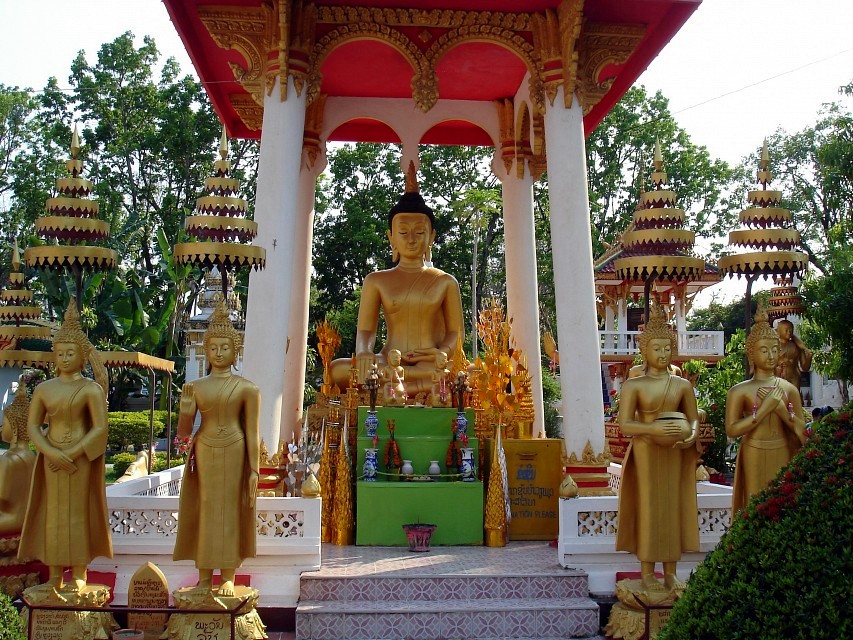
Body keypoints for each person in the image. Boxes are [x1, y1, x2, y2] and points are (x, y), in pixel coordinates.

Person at [330, 163, 464, 395]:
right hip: (388, 360)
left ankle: (395, 388)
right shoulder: (376, 281)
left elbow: (456, 333)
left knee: (470, 373)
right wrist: (363, 352)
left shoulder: (445, 282)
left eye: (420, 232)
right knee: (338, 370)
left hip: (431, 362)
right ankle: (420, 387)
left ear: (431, 236)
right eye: (403, 232)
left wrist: (443, 352)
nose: (411, 238)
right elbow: (366, 330)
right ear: (391, 237)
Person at [18, 300, 113, 591]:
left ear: (82, 356)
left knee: (77, 512)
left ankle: (80, 571)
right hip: (51, 457)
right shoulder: (45, 389)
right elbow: (33, 426)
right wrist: (50, 452)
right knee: (53, 513)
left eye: (71, 353)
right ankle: (55, 572)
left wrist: (70, 453)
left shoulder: (90, 389)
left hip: (79, 457)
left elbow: (99, 427)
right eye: (60, 353)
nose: (65, 358)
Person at [173, 300, 260, 597]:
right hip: (205, 449)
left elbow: (252, 432)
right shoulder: (195, 388)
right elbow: (183, 437)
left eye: (225, 347)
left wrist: (254, 471)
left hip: (235, 449)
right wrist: (185, 414)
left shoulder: (247, 388)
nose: (219, 352)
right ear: (206, 350)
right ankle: (203, 576)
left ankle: (228, 575)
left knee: (230, 509)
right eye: (214, 348)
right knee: (206, 508)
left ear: (236, 351)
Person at [615, 304, 700, 592]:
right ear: (644, 351)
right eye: (657, 349)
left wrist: (689, 436)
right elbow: (625, 425)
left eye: (667, 349)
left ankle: (672, 571)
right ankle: (647, 571)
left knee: (672, 506)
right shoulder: (634, 386)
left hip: (674, 448)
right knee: (651, 507)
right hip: (647, 449)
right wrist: (651, 429)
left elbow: (694, 419)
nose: (662, 354)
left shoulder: (682, 385)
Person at [727, 306, 806, 515]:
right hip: (754, 449)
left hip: (781, 449)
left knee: (782, 501)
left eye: (773, 350)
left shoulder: (788, 389)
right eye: (763, 350)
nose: (770, 355)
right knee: (755, 503)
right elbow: (732, 430)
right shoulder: (740, 391)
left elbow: (803, 432)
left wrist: (781, 410)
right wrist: (762, 412)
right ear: (751, 353)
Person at [0, 381, 37, 535]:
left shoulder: (9, 460)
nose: (2, 428)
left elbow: (2, 498)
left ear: (14, 426)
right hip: (29, 520)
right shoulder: (33, 457)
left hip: (9, 520)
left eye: (3, 423)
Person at [774, 319, 812, 396]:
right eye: (786, 330)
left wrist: (809, 357)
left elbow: (805, 368)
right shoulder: (773, 346)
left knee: (794, 401)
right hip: (779, 376)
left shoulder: (797, 346)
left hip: (794, 377)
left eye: (791, 330)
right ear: (778, 331)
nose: (789, 332)